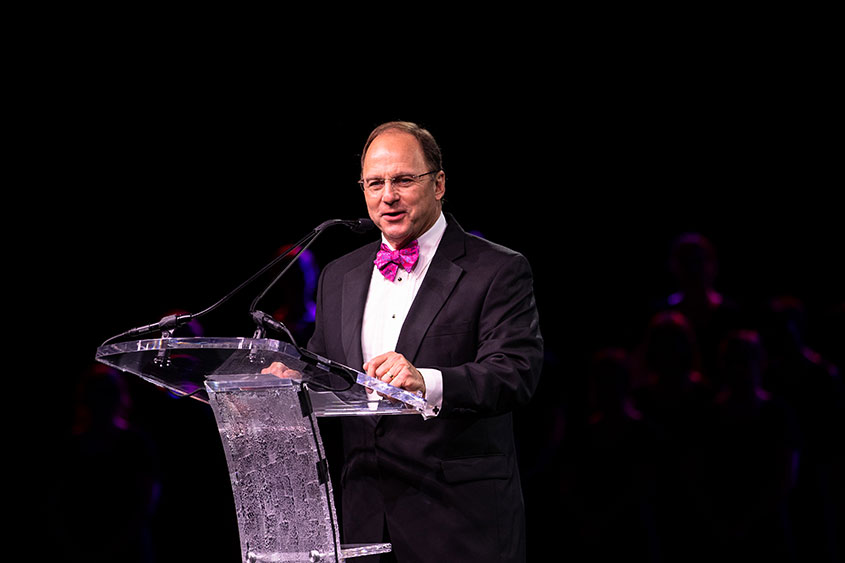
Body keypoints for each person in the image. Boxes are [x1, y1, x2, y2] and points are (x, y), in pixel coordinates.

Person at [264, 121, 543, 562]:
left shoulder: (497, 269)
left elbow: (515, 372)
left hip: (459, 521)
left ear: (439, 183)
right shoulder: (340, 274)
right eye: (375, 183)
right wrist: (288, 378)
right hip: (363, 519)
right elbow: (326, 367)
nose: (387, 195)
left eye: (403, 180)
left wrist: (426, 380)